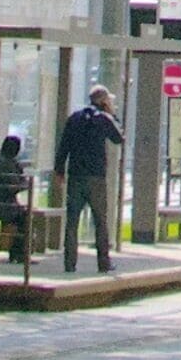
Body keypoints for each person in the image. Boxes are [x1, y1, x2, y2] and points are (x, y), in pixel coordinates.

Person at [55, 83, 124, 272]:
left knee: (72, 221)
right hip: (96, 177)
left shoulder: (74, 118)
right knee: (100, 221)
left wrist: (59, 171)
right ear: (103, 101)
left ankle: (69, 263)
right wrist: (112, 114)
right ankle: (103, 262)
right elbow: (119, 138)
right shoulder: (103, 118)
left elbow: (63, 146)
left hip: (76, 176)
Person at [0, 131, 34, 264]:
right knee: (23, 218)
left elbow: (19, 181)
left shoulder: (8, 161)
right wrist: (23, 183)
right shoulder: (4, 163)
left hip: (4, 202)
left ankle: (17, 253)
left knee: (23, 215)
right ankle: (18, 253)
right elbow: (15, 186)